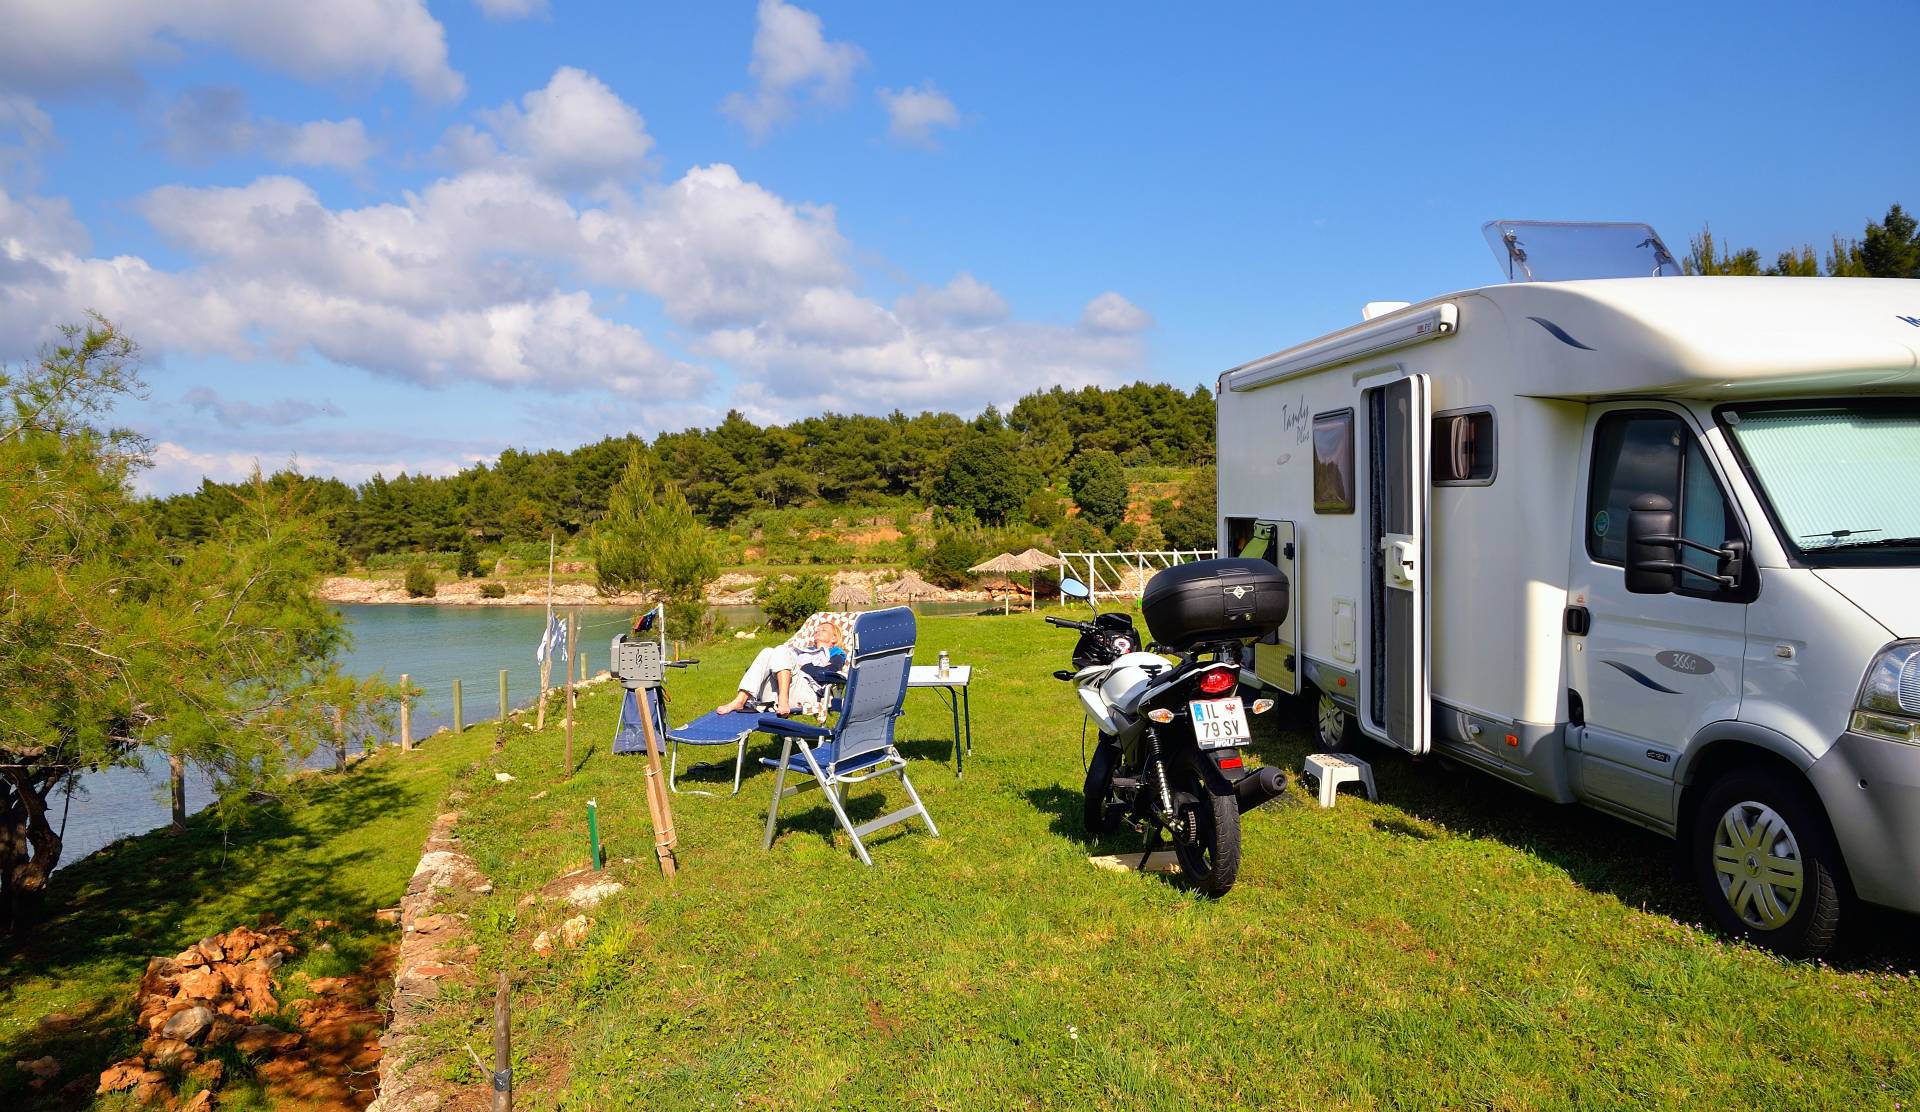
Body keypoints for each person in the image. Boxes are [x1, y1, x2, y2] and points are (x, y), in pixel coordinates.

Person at [716, 613, 850, 718]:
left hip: (809, 692)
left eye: (824, 630)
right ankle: (740, 700)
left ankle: (783, 700)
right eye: (817, 629)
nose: (817, 631)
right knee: (767, 651)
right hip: (783, 688)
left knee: (781, 649)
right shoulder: (805, 650)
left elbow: (828, 671)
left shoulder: (836, 653)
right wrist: (800, 665)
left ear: (834, 638)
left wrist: (801, 666)